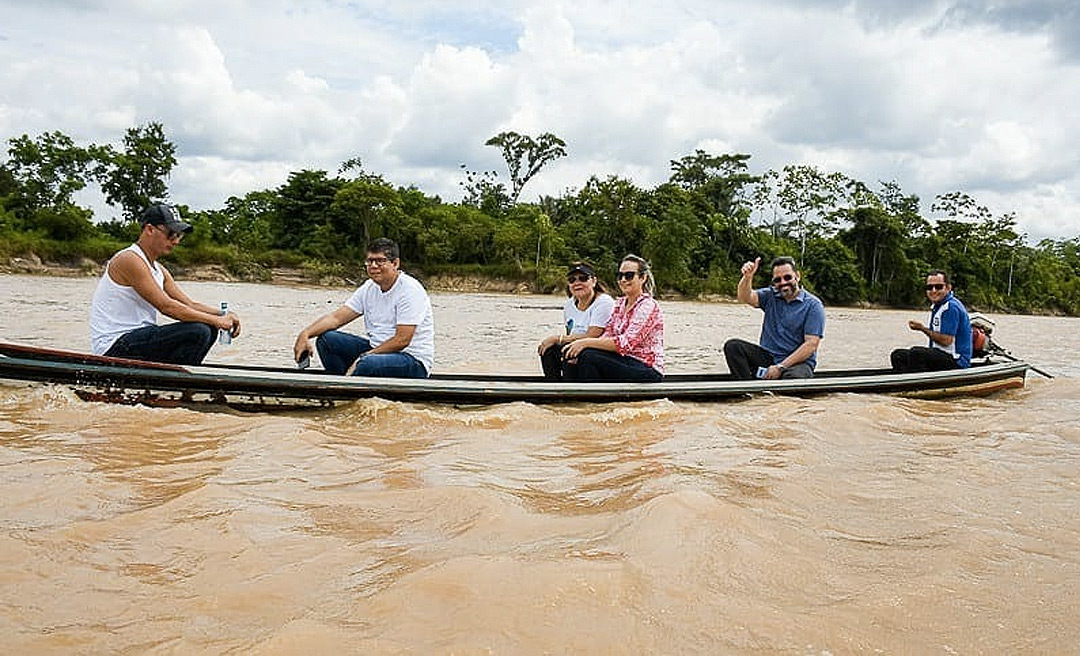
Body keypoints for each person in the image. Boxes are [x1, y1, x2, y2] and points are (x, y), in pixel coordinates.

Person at [89, 203, 241, 365]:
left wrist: (223, 314)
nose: (176, 241)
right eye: (171, 234)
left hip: (137, 339)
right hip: (114, 346)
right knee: (198, 331)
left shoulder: (159, 270)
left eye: (179, 236)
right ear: (149, 229)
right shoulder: (129, 259)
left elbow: (189, 304)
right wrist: (216, 320)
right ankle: (175, 381)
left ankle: (176, 377)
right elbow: (167, 307)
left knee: (208, 329)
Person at [293, 238, 434, 378]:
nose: (373, 265)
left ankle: (349, 385)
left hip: (412, 360)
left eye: (380, 261)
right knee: (327, 340)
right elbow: (336, 318)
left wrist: (364, 356)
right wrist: (305, 334)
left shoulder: (410, 290)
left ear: (395, 263)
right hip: (377, 353)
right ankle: (342, 386)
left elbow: (402, 340)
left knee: (367, 363)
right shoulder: (369, 287)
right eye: (369, 261)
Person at [561, 254, 664, 382]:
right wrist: (580, 348)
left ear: (643, 278)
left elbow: (625, 343)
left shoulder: (648, 306)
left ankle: (590, 398)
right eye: (620, 276)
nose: (624, 280)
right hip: (623, 361)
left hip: (646, 368)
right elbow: (608, 333)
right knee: (576, 353)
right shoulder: (619, 304)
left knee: (588, 355)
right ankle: (568, 393)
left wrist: (584, 343)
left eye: (629, 275)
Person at [723, 255, 825, 380]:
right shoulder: (770, 295)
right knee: (733, 346)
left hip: (797, 363)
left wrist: (780, 367)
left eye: (787, 277)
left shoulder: (813, 305)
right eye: (777, 280)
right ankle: (747, 391)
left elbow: (811, 345)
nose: (783, 283)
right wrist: (747, 277)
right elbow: (745, 297)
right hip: (768, 357)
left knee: (792, 378)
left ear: (797, 276)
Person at [536, 262, 616, 380]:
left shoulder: (604, 302)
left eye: (583, 279)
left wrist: (557, 338)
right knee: (548, 350)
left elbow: (593, 334)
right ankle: (553, 387)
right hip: (577, 347)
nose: (577, 283)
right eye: (572, 280)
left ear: (593, 281)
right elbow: (570, 333)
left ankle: (570, 392)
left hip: (598, 352)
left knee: (570, 351)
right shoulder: (569, 305)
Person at [890, 270, 972, 372]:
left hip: (957, 359)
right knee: (898, 355)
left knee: (917, 353)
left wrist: (922, 329)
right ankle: (903, 383)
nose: (933, 291)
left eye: (938, 287)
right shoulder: (938, 306)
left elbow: (946, 341)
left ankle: (918, 385)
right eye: (929, 287)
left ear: (948, 288)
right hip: (941, 354)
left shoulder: (951, 307)